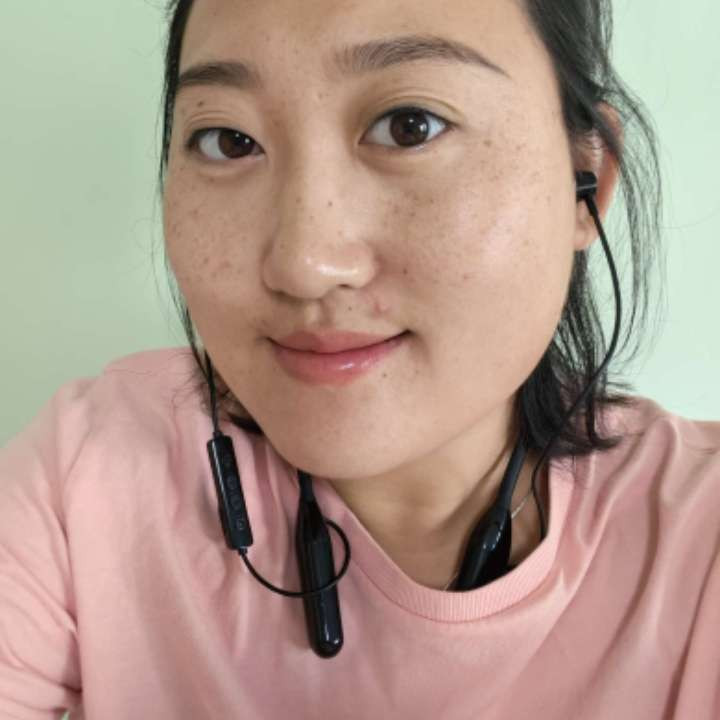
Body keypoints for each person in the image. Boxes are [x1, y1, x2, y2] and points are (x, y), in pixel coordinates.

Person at [1, 0, 718, 717]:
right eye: (228, 140)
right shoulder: (87, 477)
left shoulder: (699, 545)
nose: (304, 264)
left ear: (585, 181)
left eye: (410, 126)